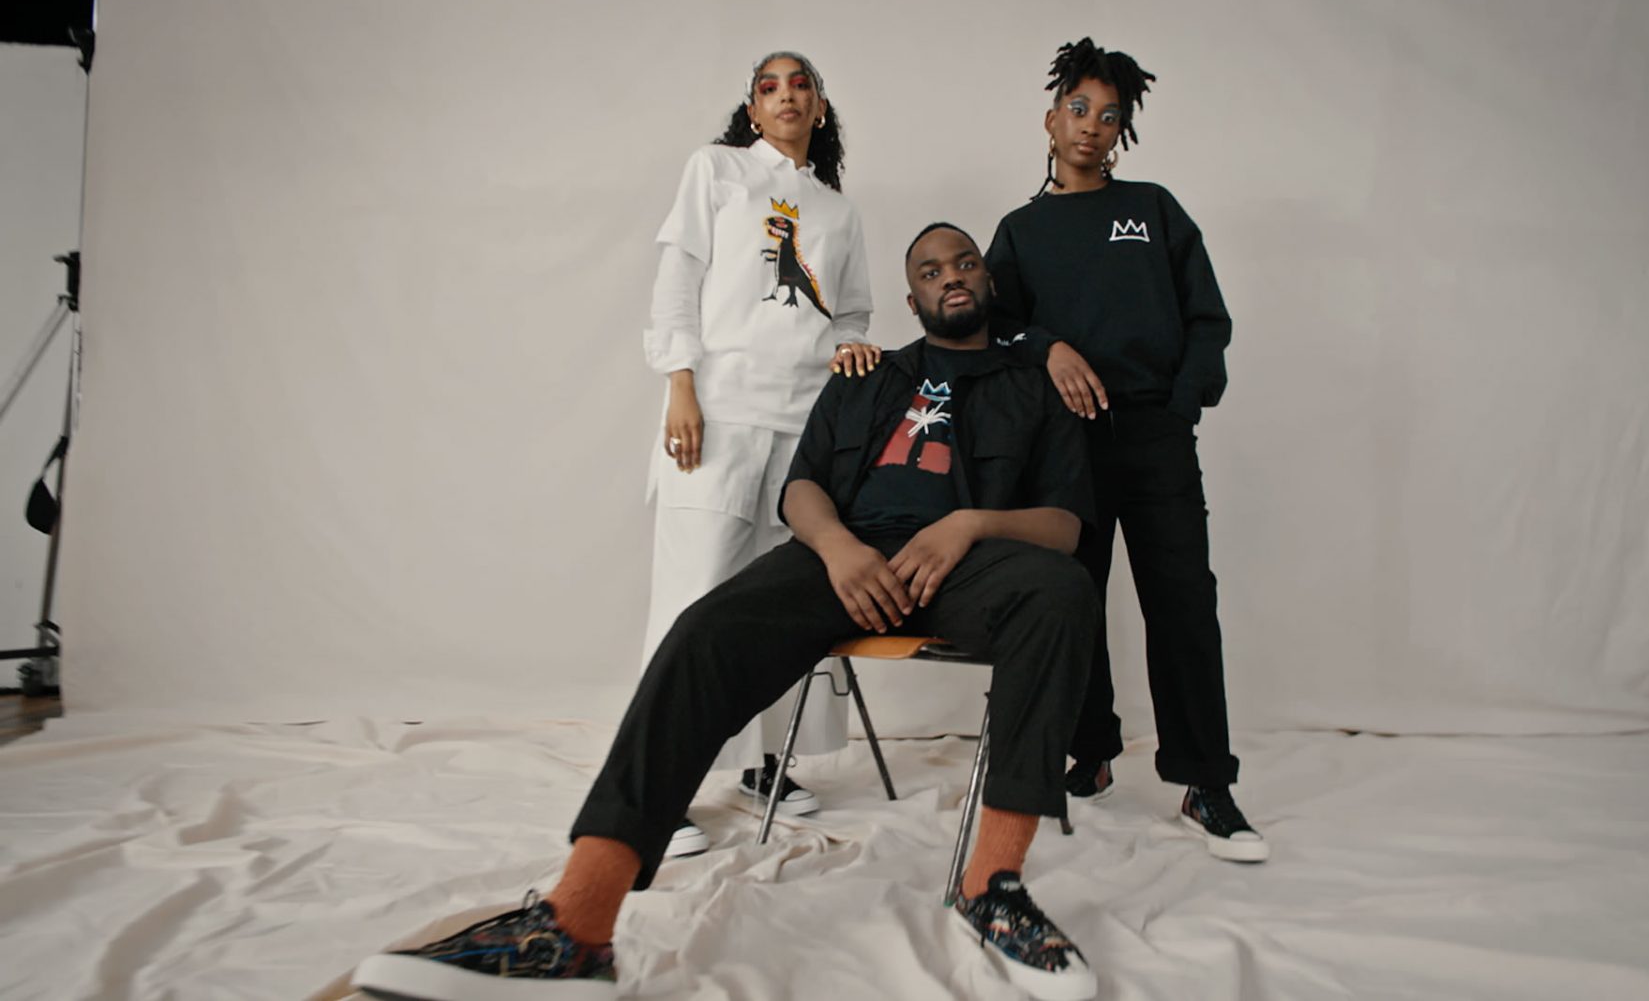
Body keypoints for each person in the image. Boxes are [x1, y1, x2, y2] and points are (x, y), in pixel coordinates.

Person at [353, 224, 1103, 1000]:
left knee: (1061, 591)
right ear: (911, 300)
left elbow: (1064, 526)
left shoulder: (1035, 386)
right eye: (930, 270)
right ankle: (574, 927)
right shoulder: (865, 373)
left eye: (965, 262)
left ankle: (991, 886)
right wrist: (837, 547)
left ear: (988, 281)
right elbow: (803, 486)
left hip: (962, 565)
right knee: (705, 630)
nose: (951, 276)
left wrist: (969, 524)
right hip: (845, 554)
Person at [984, 38, 1268, 863]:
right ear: (1050, 119)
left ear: (1122, 131)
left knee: (1182, 601)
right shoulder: (1021, 230)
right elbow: (994, 326)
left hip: (1153, 434)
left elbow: (1207, 318)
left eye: (1109, 116)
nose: (1091, 126)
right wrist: (1048, 348)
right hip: (1065, 444)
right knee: (1071, 597)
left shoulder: (1153, 209)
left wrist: (1179, 407)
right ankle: (1092, 751)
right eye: (1078, 109)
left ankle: (1206, 780)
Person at [641, 50, 883, 857]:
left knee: (783, 601)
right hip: (719, 413)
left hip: (805, 427)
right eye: (769, 87)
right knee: (694, 598)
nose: (786, 96)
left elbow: (850, 314)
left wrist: (850, 351)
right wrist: (681, 383)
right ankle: (659, 786)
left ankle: (765, 765)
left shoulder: (839, 212)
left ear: (821, 107)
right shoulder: (717, 172)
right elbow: (678, 279)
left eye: (801, 85)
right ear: (752, 109)